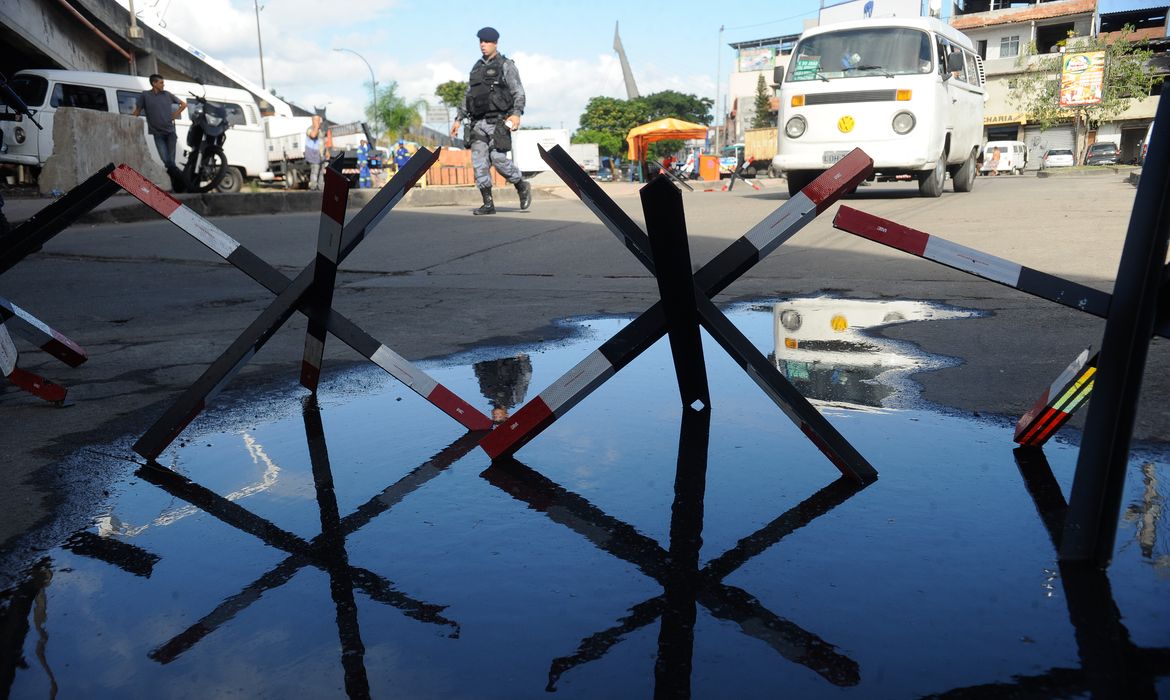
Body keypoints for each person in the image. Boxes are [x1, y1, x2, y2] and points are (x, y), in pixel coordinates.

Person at [449, 26, 532, 215]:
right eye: (480, 41)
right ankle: (488, 203)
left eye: (486, 42)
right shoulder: (477, 68)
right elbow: (468, 95)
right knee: (479, 162)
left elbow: (518, 91)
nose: (483, 45)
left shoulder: (506, 65)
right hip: (477, 122)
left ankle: (521, 184)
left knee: (498, 158)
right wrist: (458, 119)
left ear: (495, 43)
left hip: (499, 122)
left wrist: (517, 113)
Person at [131, 74, 186, 174]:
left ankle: (174, 182)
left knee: (171, 162)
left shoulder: (167, 94)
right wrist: (128, 120)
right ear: (154, 83)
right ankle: (179, 176)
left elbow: (184, 104)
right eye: (161, 83)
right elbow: (137, 111)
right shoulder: (145, 95)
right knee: (166, 160)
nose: (163, 85)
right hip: (157, 134)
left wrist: (175, 115)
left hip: (171, 132)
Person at [304, 115, 327, 190]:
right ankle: (313, 188)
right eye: (317, 120)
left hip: (320, 155)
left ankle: (321, 189)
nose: (319, 122)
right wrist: (316, 126)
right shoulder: (310, 129)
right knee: (315, 171)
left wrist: (326, 151)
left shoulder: (320, 130)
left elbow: (323, 141)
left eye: (319, 120)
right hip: (313, 155)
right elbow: (313, 135)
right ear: (313, 121)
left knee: (321, 173)